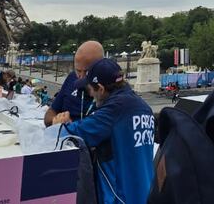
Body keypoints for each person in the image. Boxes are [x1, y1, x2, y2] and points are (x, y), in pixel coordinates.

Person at [54, 59, 154, 204]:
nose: (91, 96)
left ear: (100, 89)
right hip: (145, 194)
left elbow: (68, 134)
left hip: (120, 197)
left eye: (90, 90)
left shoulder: (114, 110)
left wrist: (60, 124)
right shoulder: (143, 107)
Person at [43, 40, 103, 127]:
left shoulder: (108, 90)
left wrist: (71, 127)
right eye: (78, 71)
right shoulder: (72, 78)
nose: (81, 77)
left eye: (87, 71)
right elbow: (50, 113)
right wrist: (55, 120)